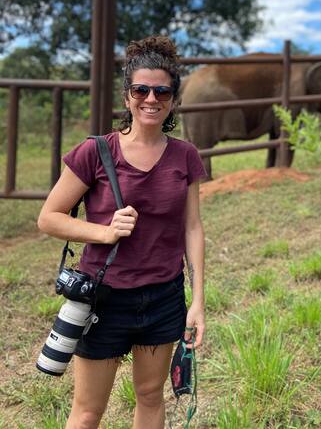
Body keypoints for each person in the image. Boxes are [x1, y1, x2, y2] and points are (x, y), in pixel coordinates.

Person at [38, 36, 206, 429]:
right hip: (103, 300)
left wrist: (197, 300)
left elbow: (193, 227)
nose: (151, 98)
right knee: (87, 411)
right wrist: (103, 232)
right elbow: (49, 217)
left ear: (173, 98)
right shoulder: (96, 151)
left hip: (163, 297)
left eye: (162, 90)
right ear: (127, 96)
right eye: (141, 89)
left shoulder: (185, 155)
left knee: (150, 397)